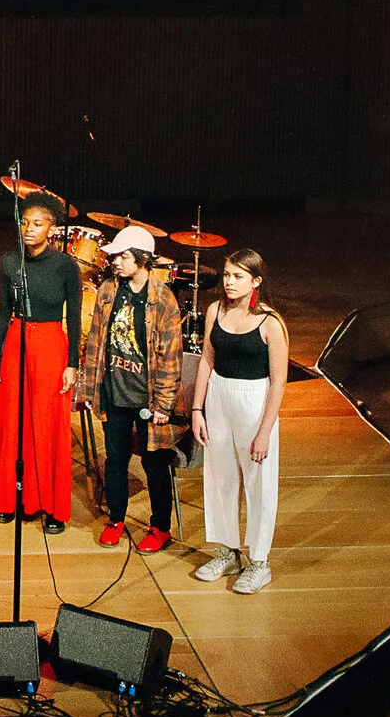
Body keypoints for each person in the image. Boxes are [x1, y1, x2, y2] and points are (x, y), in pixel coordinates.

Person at [77, 230, 185, 552]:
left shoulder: (162, 299)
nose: (116, 262)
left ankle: (160, 527)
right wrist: (89, 389)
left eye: (124, 256)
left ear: (142, 259)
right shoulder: (108, 290)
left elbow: (171, 356)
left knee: (154, 464)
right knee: (115, 460)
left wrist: (164, 404)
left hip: (148, 398)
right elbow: (96, 342)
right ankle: (116, 519)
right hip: (115, 392)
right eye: (116, 256)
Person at [191, 249, 288, 595]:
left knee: (258, 484)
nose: (229, 282)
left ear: (255, 281)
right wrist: (197, 408)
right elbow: (206, 359)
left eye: (238, 276)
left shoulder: (270, 323)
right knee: (220, 477)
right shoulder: (215, 311)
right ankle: (227, 552)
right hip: (219, 396)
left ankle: (259, 562)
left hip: (254, 401)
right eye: (227, 275)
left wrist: (264, 432)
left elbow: (278, 382)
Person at [0, 193, 80, 532]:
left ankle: (50, 504)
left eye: (37, 224)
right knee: (12, 420)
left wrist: (72, 363)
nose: (28, 229)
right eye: (25, 222)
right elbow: (2, 311)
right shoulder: (10, 262)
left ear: (51, 229)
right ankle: (9, 498)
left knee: (47, 422)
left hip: (51, 345)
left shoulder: (66, 266)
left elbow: (75, 317)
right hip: (16, 341)